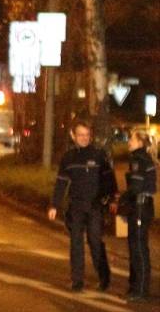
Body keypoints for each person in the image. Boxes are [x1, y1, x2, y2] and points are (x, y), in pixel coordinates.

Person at [47, 121, 116, 292]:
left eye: (87, 134)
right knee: (76, 244)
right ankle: (77, 281)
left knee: (95, 242)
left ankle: (104, 276)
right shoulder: (68, 158)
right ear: (73, 136)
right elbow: (61, 183)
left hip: (94, 206)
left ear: (90, 135)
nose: (84, 138)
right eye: (80, 135)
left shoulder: (99, 155)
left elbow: (109, 179)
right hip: (76, 207)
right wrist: (54, 205)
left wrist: (113, 199)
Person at [120, 128, 156, 301]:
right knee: (136, 246)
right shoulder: (143, 158)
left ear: (140, 142)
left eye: (131, 139)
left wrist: (122, 200)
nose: (129, 142)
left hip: (140, 206)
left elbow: (135, 186)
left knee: (138, 248)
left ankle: (140, 290)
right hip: (142, 206)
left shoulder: (138, 159)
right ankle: (136, 287)